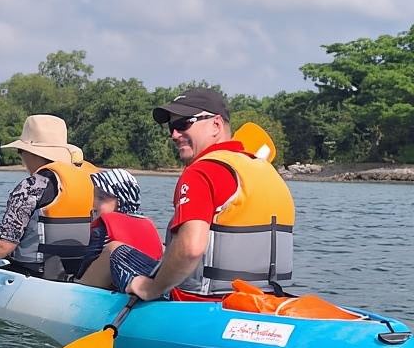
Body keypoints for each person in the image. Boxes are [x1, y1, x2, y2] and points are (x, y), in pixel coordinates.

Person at [115, 88, 294, 301]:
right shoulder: (268, 173)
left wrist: (150, 289)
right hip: (268, 299)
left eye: (183, 124)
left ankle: (79, 301)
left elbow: (191, 248)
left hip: (201, 301)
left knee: (116, 252)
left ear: (216, 125)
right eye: (172, 127)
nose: (174, 134)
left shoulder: (201, 171)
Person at [0, 115, 100, 278]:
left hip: (34, 274)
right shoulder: (96, 181)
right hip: (82, 275)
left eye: (21, 151)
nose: (21, 158)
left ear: (31, 153)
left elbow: (3, 246)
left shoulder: (32, 186)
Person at [75, 168, 164, 289]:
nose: (94, 204)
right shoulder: (146, 223)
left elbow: (88, 263)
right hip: (141, 283)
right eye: (95, 196)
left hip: (105, 290)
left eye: (101, 198)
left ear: (121, 201)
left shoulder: (102, 229)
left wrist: (77, 278)